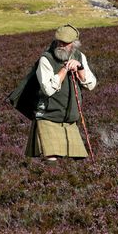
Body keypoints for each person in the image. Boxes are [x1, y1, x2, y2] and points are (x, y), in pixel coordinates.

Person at [25, 24, 97, 161]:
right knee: (52, 159)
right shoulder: (46, 59)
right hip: (48, 117)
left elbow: (91, 85)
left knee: (79, 160)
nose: (61, 45)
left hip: (70, 120)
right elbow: (47, 89)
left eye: (65, 43)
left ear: (74, 44)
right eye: (59, 42)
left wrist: (80, 69)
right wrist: (64, 70)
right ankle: (49, 180)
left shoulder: (80, 57)